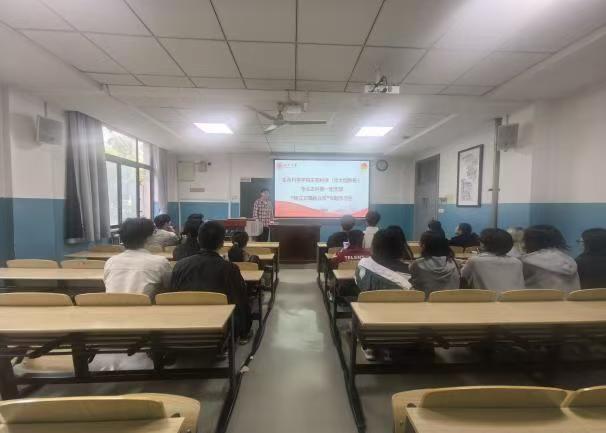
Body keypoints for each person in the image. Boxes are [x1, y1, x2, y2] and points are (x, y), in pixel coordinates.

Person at [170, 221, 252, 341]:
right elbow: (240, 300)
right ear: (222, 243)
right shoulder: (230, 268)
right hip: (220, 325)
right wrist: (245, 330)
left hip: (184, 323)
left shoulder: (180, 266)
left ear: (198, 240)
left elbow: (172, 296)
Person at [104, 218, 172, 296]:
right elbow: (169, 287)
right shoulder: (160, 262)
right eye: (153, 233)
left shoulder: (111, 261)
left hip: (111, 303)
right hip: (145, 303)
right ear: (149, 238)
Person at [520, 225, 580, 292]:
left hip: (540, 298)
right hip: (571, 298)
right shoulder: (569, 259)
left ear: (530, 241)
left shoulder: (526, 261)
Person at [409, 231, 460, 298]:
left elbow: (414, 285)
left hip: (427, 302)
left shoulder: (417, 264)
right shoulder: (454, 262)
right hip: (452, 301)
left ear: (424, 245)